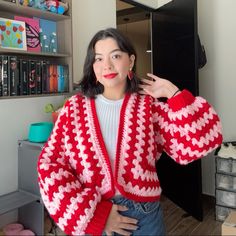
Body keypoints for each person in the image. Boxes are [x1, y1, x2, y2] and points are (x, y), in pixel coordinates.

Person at [37, 27, 223, 236]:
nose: (106, 65)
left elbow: (200, 142)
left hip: (145, 216)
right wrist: (95, 215)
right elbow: (49, 165)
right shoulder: (74, 108)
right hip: (95, 214)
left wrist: (173, 93)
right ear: (93, 65)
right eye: (98, 58)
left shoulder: (148, 107)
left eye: (115, 55)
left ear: (131, 61)